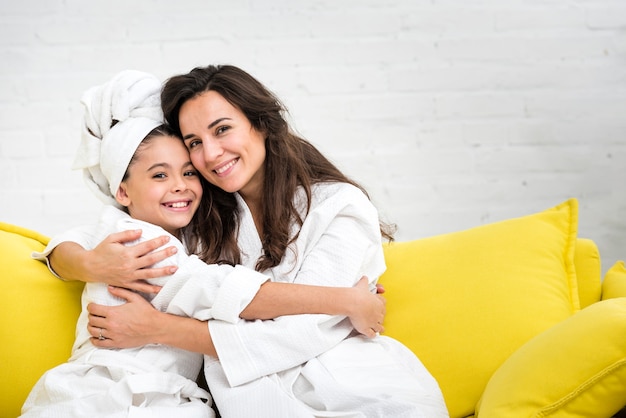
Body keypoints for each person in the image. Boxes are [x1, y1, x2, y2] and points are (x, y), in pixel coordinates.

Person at [47, 65, 449, 417]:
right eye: (194, 142)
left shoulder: (339, 207)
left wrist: (157, 328)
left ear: (261, 123)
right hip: (246, 399)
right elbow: (90, 234)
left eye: (222, 129)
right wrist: (88, 264)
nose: (211, 153)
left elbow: (297, 333)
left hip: (348, 388)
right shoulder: (202, 211)